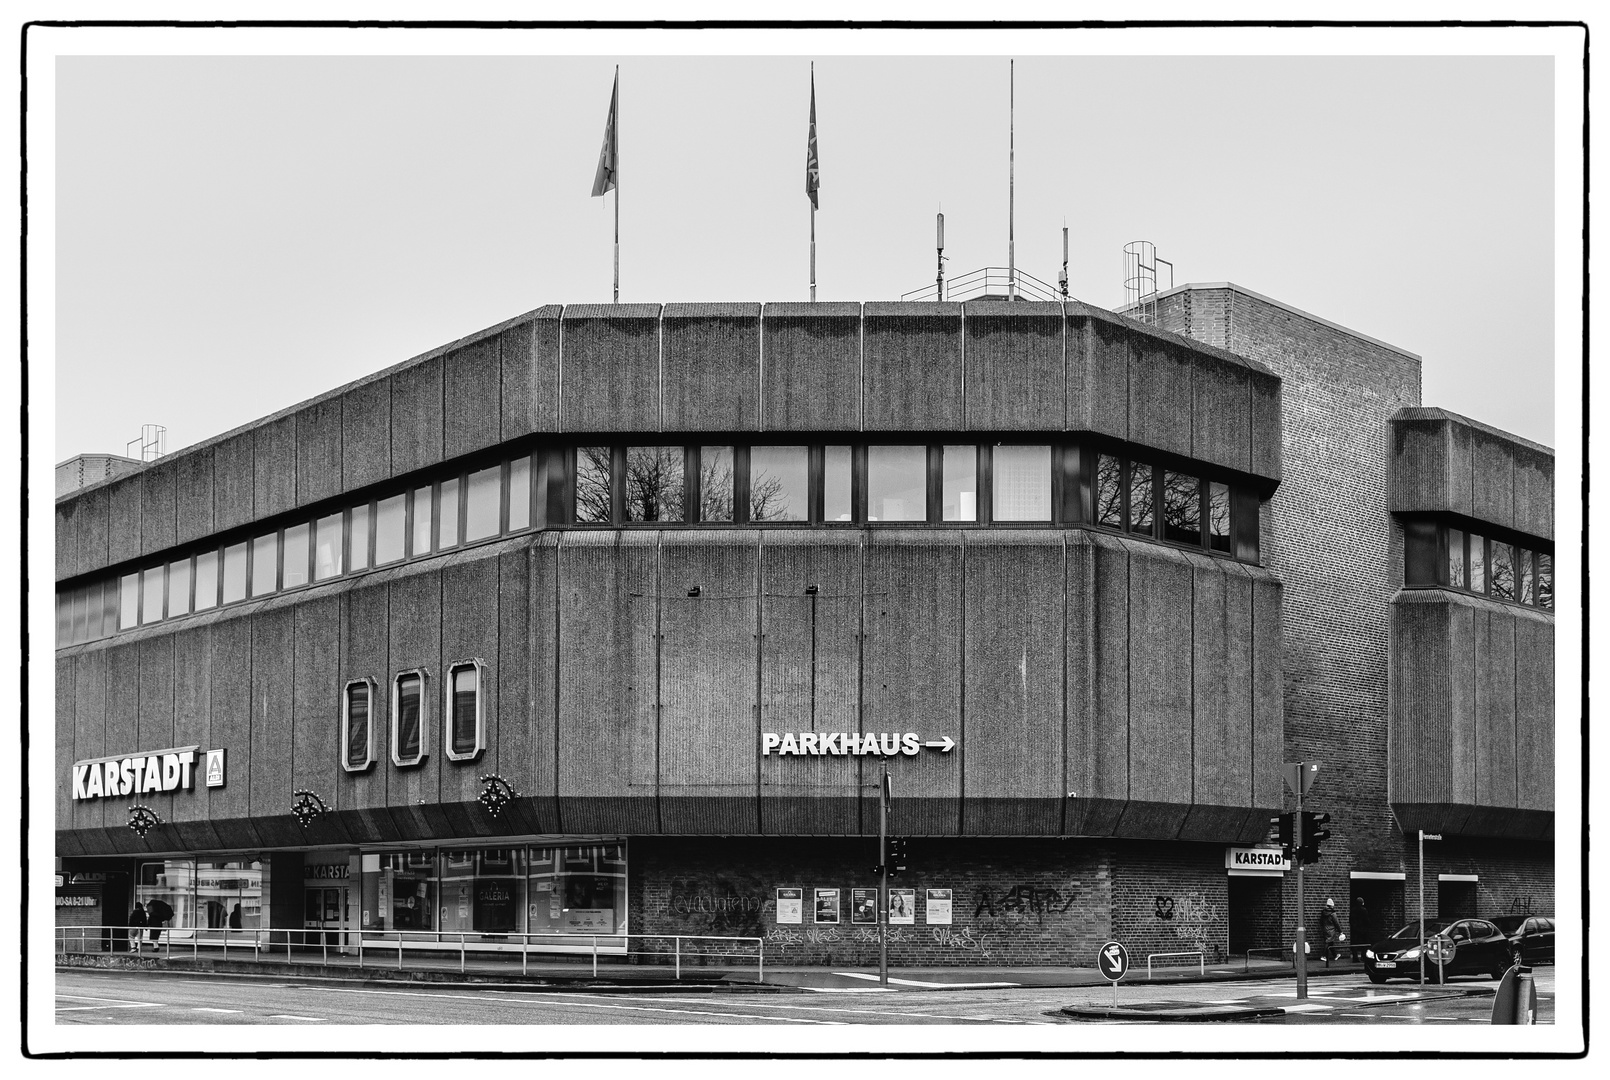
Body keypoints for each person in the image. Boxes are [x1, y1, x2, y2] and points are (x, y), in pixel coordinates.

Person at [1320, 897, 1345, 966]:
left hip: (1325, 929)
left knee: (1330, 942)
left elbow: (1321, 922)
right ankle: (1323, 956)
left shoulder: (1323, 912)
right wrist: (1340, 931)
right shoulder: (1332, 913)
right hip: (1331, 930)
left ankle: (1335, 955)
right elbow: (1336, 923)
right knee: (1328, 942)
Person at [1351, 895, 1370, 961]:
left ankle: (1355, 957)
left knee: (1354, 944)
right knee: (1365, 943)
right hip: (1363, 929)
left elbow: (1350, 920)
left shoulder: (1353, 910)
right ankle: (1363, 956)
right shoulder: (1364, 910)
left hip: (1355, 929)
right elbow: (1366, 920)